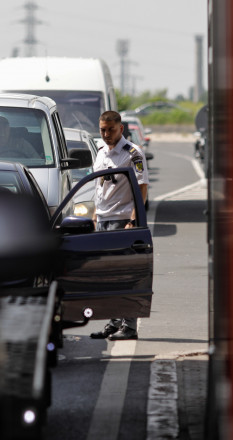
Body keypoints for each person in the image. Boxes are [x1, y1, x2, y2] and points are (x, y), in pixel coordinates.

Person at [89, 110, 149, 341]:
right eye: (102, 129)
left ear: (121, 129)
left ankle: (129, 327)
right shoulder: (101, 152)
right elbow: (99, 187)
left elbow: (142, 188)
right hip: (103, 219)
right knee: (108, 276)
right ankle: (113, 322)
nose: (106, 134)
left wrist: (133, 220)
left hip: (122, 219)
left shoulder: (132, 153)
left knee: (124, 275)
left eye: (110, 129)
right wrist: (95, 215)